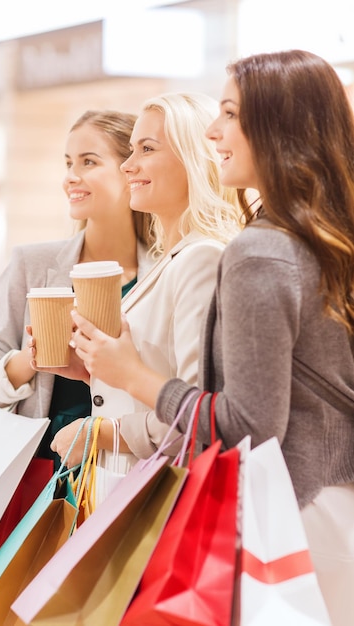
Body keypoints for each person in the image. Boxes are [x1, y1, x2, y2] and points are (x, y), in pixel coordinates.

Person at [72, 51, 354, 624]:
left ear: (277, 127)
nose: (213, 131)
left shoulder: (261, 250)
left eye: (229, 113)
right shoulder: (324, 239)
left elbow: (249, 425)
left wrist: (136, 378)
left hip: (287, 524)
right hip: (332, 512)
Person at [48, 91, 242, 497]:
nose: (128, 165)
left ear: (192, 158)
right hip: (130, 488)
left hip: (157, 497)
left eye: (147, 149)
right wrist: (91, 369)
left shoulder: (202, 259)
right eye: (131, 149)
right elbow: (154, 378)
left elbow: (199, 416)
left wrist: (101, 433)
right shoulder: (173, 258)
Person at [0, 109, 156, 470]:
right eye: (69, 163)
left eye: (89, 162)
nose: (71, 177)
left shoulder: (164, 272)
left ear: (129, 169)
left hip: (126, 475)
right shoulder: (32, 265)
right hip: (41, 477)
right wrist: (28, 360)